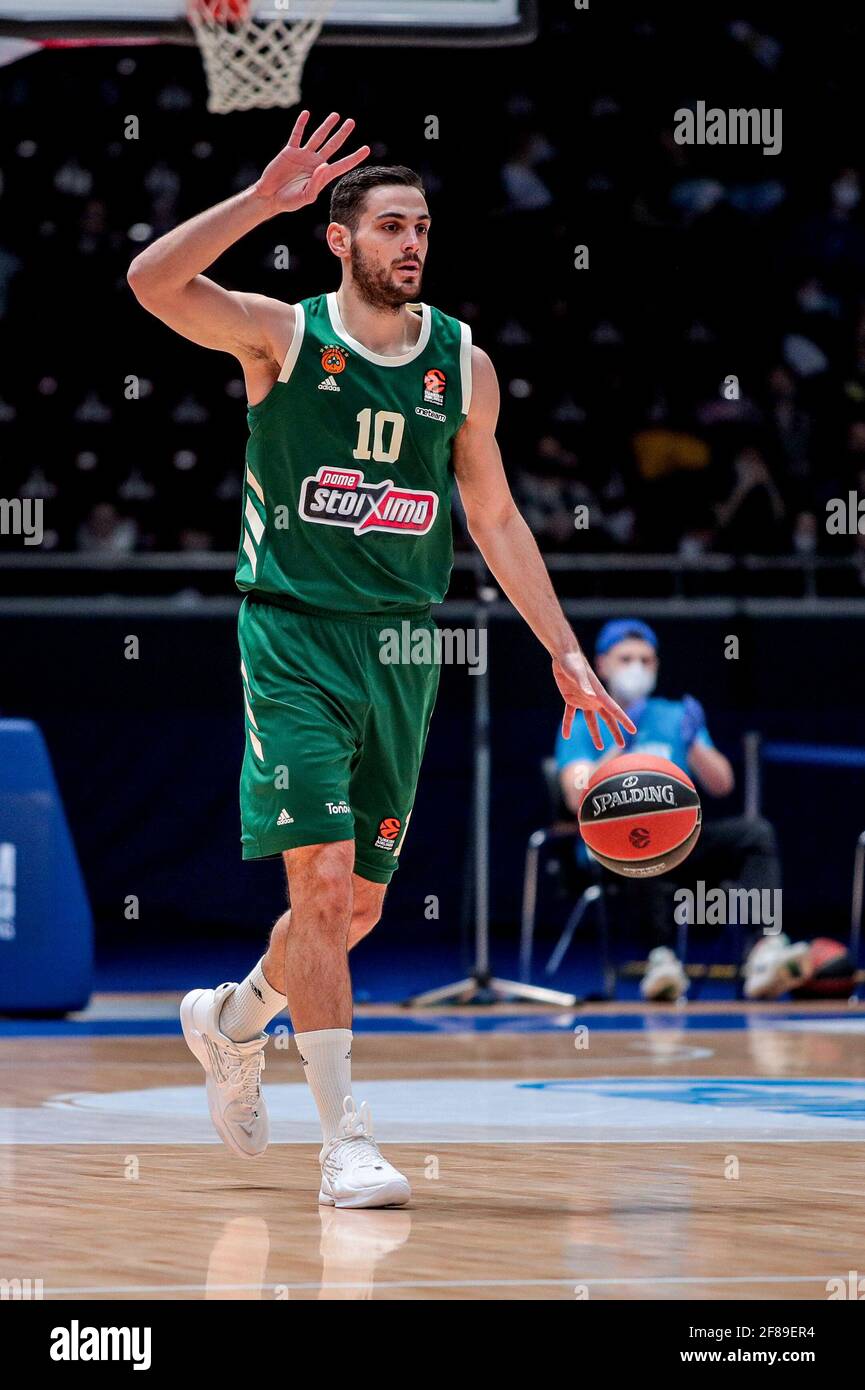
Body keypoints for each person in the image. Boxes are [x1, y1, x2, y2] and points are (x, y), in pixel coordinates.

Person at [128, 110, 634, 1208]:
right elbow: (151, 284)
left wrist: (565, 651)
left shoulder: (463, 364)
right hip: (293, 634)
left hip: (404, 648)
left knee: (350, 913)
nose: (411, 242)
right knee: (313, 882)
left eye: (422, 227)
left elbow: (495, 519)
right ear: (340, 239)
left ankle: (229, 1021)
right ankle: (344, 1139)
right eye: (390, 225)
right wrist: (260, 199)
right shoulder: (283, 335)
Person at [555, 618, 781, 1002]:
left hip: (683, 838)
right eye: (626, 659)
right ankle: (661, 960)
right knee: (640, 834)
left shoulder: (675, 715)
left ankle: (766, 950)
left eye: (646, 660)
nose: (637, 668)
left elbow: (722, 784)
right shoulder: (582, 718)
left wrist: (693, 741)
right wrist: (621, 747)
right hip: (614, 847)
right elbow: (577, 796)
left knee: (755, 832)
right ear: (603, 664)